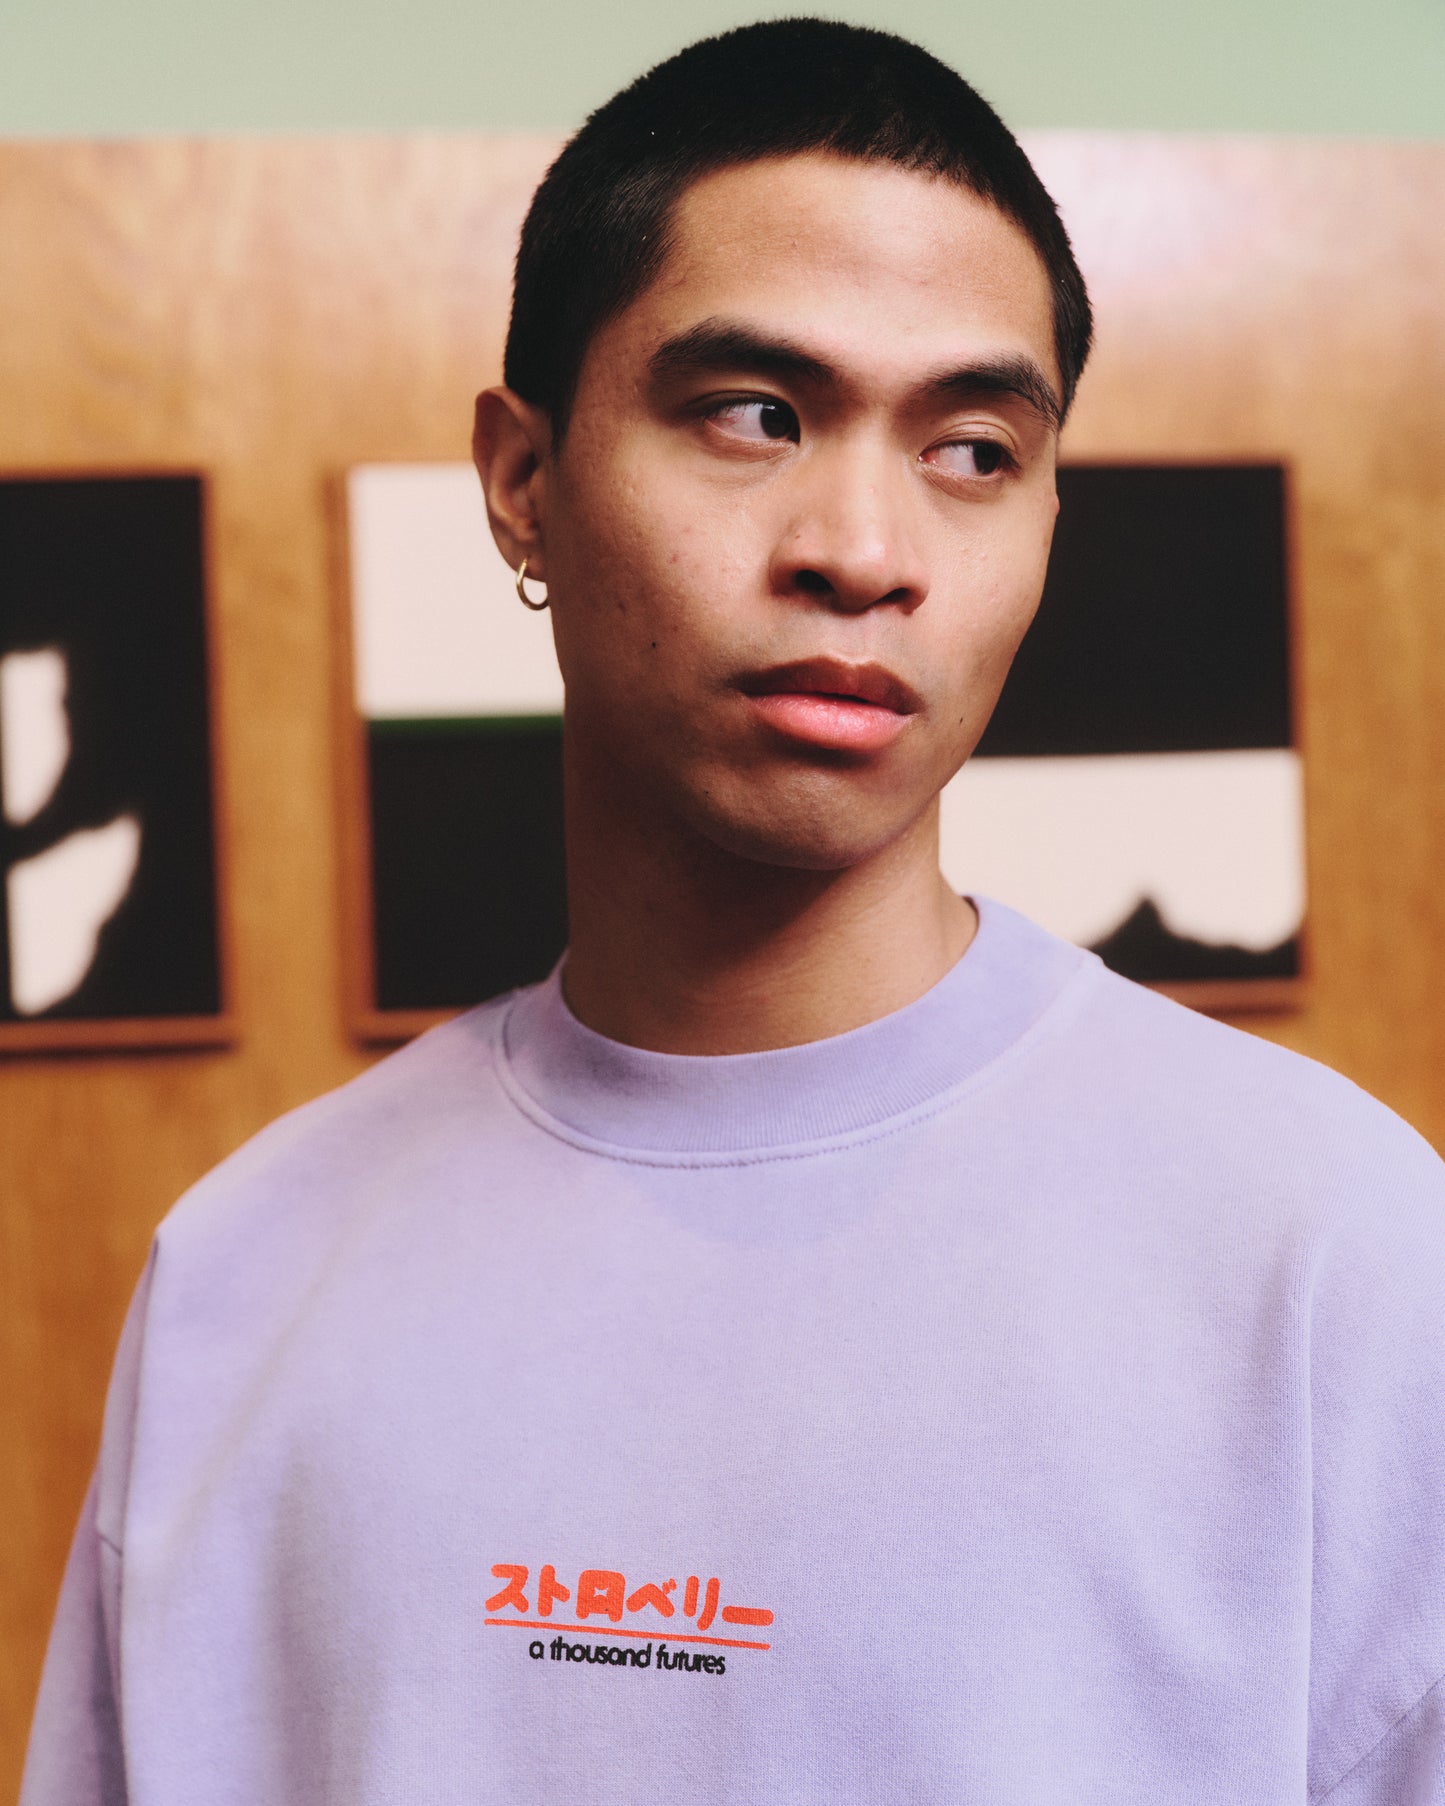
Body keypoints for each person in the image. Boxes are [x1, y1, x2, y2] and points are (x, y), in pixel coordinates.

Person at [22, 18, 1445, 1804]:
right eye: (754, 414)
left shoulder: (1335, 1257)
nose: (863, 548)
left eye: (972, 448)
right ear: (523, 482)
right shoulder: (245, 1274)